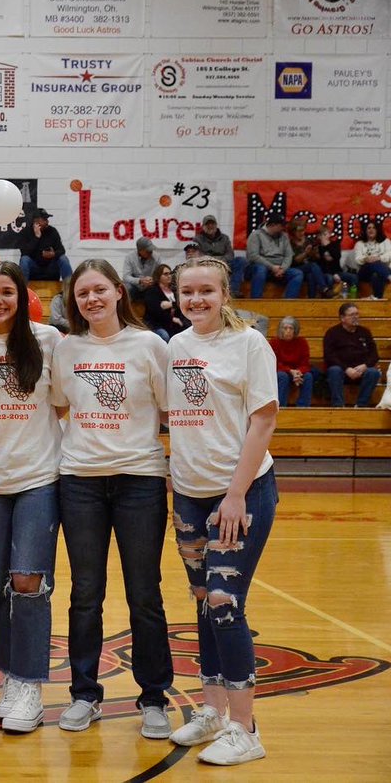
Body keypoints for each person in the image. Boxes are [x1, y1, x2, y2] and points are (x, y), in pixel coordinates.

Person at [51, 259, 173, 738]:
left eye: (99, 290)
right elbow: (61, 405)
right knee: (85, 594)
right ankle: (84, 694)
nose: (92, 300)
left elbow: (170, 410)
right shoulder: (67, 349)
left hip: (140, 480)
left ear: (119, 291)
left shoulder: (149, 345)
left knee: (144, 594)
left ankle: (154, 697)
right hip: (79, 482)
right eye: (82, 294)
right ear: (74, 301)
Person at [166, 256, 278, 765]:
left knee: (224, 602)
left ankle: (245, 728)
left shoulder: (250, 343)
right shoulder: (177, 345)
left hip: (241, 492)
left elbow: (263, 421)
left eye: (206, 291)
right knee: (201, 602)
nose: (196, 300)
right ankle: (211, 712)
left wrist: (235, 494)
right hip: (189, 492)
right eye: (187, 292)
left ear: (225, 294)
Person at [0, 261, 62, 733]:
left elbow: (63, 404)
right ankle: (9, 676)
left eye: (7, 292)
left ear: (22, 297)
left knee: (28, 581)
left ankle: (29, 684)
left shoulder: (48, 342)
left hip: (39, 477)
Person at [323, 302, 381, 407]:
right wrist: (346, 369)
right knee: (334, 370)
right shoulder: (332, 333)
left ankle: (361, 405)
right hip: (342, 371)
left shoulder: (365, 332)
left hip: (361, 371)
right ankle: (338, 405)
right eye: (351, 315)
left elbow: (374, 354)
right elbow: (329, 356)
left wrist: (365, 366)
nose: (355, 317)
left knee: (373, 373)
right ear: (342, 318)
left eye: (357, 314)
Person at [243, 215, 302, 298]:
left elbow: (288, 255)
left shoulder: (284, 236)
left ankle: (288, 303)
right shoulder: (256, 235)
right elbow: (253, 256)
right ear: (272, 225)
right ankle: (256, 301)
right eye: (281, 226)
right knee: (261, 269)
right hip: (259, 267)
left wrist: (282, 268)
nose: (283, 228)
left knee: (297, 273)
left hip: (279, 269)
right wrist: (272, 267)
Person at [194, 214, 246, 294]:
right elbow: (199, 256)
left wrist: (221, 261)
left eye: (212, 224)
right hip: (207, 264)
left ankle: (233, 291)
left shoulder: (225, 238)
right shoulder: (197, 239)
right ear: (203, 226)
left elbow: (230, 254)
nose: (210, 226)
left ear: (216, 225)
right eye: (207, 224)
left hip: (224, 263)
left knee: (241, 260)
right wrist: (214, 261)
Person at [270, 317, 314, 408]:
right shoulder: (274, 342)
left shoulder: (302, 342)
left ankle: (303, 406)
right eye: (285, 328)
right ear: (280, 330)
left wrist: (298, 372)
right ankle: (281, 406)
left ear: (295, 330)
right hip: (281, 371)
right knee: (283, 376)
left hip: (297, 372)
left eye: (291, 328)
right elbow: (273, 363)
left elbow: (305, 363)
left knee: (308, 376)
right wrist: (290, 371)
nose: (288, 331)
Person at [17, 209, 71, 283]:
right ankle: (22, 290)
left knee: (63, 259)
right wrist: (37, 237)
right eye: (44, 219)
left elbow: (62, 250)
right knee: (24, 260)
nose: (47, 222)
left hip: (50, 267)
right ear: (36, 222)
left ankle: (69, 288)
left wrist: (53, 254)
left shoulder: (52, 231)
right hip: (34, 267)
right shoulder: (26, 232)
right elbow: (25, 252)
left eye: (47, 219)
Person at [343, 220, 391, 299]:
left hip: (382, 270)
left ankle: (377, 298)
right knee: (372, 263)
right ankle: (389, 276)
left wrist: (379, 258)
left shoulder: (386, 242)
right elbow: (357, 259)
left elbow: (389, 255)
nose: (371, 230)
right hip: (365, 271)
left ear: (377, 230)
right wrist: (365, 259)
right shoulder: (360, 243)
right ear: (365, 231)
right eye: (369, 228)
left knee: (376, 274)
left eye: (374, 228)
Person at [142, 264, 188, 342]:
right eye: (166, 274)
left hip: (173, 323)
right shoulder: (152, 290)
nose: (169, 276)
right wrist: (172, 318)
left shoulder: (174, 290)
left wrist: (170, 304)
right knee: (165, 336)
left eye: (170, 273)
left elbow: (180, 305)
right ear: (158, 276)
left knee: (186, 332)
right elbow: (155, 311)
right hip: (156, 324)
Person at [288, 217, 328, 298]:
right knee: (312, 266)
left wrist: (313, 253)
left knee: (311, 275)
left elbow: (318, 257)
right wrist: (306, 253)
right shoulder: (290, 244)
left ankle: (311, 300)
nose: (302, 233)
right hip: (297, 268)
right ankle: (324, 288)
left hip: (311, 270)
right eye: (299, 231)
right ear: (293, 232)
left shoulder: (310, 241)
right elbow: (295, 261)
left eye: (303, 230)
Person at [315, 226, 356, 297]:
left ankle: (353, 297)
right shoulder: (317, 248)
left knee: (353, 277)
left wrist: (326, 246)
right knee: (329, 278)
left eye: (325, 234)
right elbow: (322, 265)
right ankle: (328, 299)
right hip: (325, 273)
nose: (324, 237)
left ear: (329, 235)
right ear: (318, 237)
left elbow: (337, 256)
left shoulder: (335, 244)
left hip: (337, 271)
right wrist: (333, 274)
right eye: (321, 235)